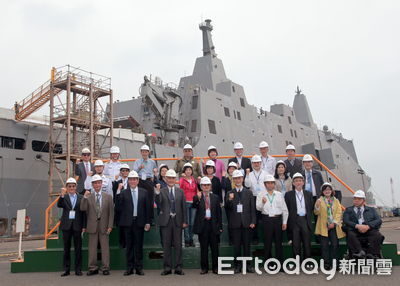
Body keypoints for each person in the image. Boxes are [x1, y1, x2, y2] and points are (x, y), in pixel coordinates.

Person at [115, 170, 151, 276]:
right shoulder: (123, 193)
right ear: (128, 181)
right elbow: (118, 208)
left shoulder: (144, 192)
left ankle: (139, 268)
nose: (132, 181)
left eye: (134, 179)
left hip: (139, 223)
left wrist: (148, 222)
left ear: (138, 180)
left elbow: (147, 209)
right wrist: (118, 191)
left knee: (138, 246)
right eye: (130, 179)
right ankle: (130, 268)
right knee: (129, 246)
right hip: (127, 224)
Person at [154, 169, 188, 275]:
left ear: (175, 179)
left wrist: (185, 221)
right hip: (166, 222)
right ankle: (167, 268)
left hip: (177, 221)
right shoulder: (162, 191)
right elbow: (158, 204)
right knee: (166, 245)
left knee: (178, 245)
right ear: (165, 178)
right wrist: (157, 193)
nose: (171, 180)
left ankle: (178, 267)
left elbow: (184, 208)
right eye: (169, 178)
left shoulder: (180, 191)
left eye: (173, 178)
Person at [81, 175, 114, 276]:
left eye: (99, 182)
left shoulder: (108, 197)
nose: (97, 185)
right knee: (92, 248)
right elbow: (82, 208)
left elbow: (111, 213)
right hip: (92, 226)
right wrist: (84, 198)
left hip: (104, 225)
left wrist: (110, 226)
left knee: (105, 248)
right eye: (95, 183)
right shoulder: (89, 196)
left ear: (101, 184)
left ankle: (105, 267)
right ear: (92, 184)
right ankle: (92, 268)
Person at [225, 170, 256, 273]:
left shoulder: (249, 192)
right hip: (235, 223)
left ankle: (248, 265)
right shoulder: (230, 193)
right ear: (233, 180)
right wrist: (229, 200)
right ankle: (237, 266)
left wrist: (253, 221)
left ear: (242, 179)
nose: (238, 180)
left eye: (239, 178)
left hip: (247, 223)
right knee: (237, 246)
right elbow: (227, 208)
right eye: (236, 178)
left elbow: (252, 208)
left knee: (247, 246)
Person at [193, 177, 223, 274]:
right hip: (203, 226)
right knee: (204, 248)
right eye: (204, 185)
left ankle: (216, 267)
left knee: (215, 248)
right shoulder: (197, 196)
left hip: (213, 225)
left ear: (210, 186)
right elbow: (194, 206)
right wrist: (197, 198)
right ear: (201, 186)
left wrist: (220, 226)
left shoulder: (215, 197)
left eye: (208, 185)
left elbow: (219, 213)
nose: (206, 187)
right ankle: (204, 268)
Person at [57, 178, 86, 277]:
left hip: (77, 226)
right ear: (66, 187)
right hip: (66, 226)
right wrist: (61, 195)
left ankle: (78, 269)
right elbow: (59, 205)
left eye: (73, 186)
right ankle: (66, 269)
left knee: (78, 249)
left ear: (76, 187)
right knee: (66, 249)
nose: (71, 188)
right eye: (69, 186)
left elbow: (84, 213)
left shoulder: (81, 197)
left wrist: (84, 226)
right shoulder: (63, 197)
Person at [256, 175, 288, 264]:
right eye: (268, 183)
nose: (270, 185)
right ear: (265, 184)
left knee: (279, 242)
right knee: (267, 242)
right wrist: (262, 202)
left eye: (272, 183)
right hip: (267, 219)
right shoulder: (260, 194)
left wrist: (284, 222)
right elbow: (258, 208)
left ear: (274, 184)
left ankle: (280, 263)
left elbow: (284, 209)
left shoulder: (279, 194)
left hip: (277, 219)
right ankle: (268, 264)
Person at [343, 190, 383, 259]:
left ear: (363, 200)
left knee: (377, 235)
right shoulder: (348, 210)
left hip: (368, 229)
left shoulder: (371, 210)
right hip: (355, 230)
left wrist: (368, 226)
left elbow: (378, 220)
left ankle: (372, 253)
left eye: (359, 199)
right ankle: (359, 252)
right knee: (350, 235)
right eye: (355, 199)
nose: (356, 201)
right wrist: (357, 226)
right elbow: (346, 220)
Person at [314, 182, 345, 269]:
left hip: (333, 226)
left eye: (329, 189)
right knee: (324, 246)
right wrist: (317, 206)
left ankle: (335, 264)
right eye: (325, 189)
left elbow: (339, 212)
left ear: (332, 191)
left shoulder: (336, 201)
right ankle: (326, 264)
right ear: (322, 191)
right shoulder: (320, 200)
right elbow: (316, 212)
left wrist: (334, 223)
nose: (327, 191)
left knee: (335, 245)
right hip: (324, 226)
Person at [284, 173, 313, 260]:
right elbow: (287, 208)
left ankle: (307, 262)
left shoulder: (308, 194)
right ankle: (297, 262)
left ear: (303, 182)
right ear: (293, 183)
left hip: (305, 220)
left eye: (300, 181)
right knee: (295, 243)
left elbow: (310, 207)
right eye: (296, 181)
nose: (298, 183)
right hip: (294, 220)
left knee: (307, 242)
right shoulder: (288, 194)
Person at [244, 155, 268, 244]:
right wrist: (246, 175)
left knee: (265, 217)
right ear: (252, 164)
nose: (256, 164)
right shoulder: (249, 174)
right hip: (253, 197)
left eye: (258, 162)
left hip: (263, 197)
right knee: (254, 219)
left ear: (261, 163)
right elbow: (247, 185)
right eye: (254, 163)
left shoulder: (265, 173)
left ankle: (266, 237)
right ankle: (255, 238)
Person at [133, 144, 158, 223]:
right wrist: (139, 167)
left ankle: (150, 218)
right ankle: (140, 217)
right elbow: (134, 172)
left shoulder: (152, 162)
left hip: (149, 181)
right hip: (140, 181)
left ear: (148, 152)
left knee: (150, 199)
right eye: (143, 152)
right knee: (140, 199)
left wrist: (154, 173)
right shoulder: (137, 161)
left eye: (146, 152)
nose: (144, 153)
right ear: (141, 152)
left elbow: (155, 170)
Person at [179, 162, 198, 247]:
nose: (188, 171)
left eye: (190, 170)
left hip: (193, 203)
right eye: (187, 170)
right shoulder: (182, 180)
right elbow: (181, 190)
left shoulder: (194, 180)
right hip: (185, 203)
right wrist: (182, 178)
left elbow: (196, 191)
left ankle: (191, 239)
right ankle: (186, 240)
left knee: (192, 223)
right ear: (184, 171)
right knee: (186, 222)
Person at [112, 163, 131, 248]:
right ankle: (122, 244)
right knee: (121, 227)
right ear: (120, 172)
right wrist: (119, 189)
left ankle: (128, 244)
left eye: (127, 170)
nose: (125, 172)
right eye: (123, 171)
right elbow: (114, 195)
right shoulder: (116, 183)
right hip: (120, 209)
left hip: (129, 208)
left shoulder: (132, 182)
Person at [221, 161, 238, 245]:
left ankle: (238, 239)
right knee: (230, 222)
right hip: (229, 203)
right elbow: (223, 186)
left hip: (238, 203)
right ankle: (231, 240)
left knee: (238, 221)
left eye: (233, 168)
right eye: (230, 169)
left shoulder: (238, 179)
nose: (231, 170)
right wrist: (223, 177)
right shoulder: (226, 179)